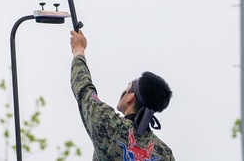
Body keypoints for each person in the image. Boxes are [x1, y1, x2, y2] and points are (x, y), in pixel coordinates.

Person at [69, 30, 176, 160]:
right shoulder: (164, 154)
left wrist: (78, 50)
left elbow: (83, 88)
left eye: (128, 85)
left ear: (131, 97)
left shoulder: (112, 127)